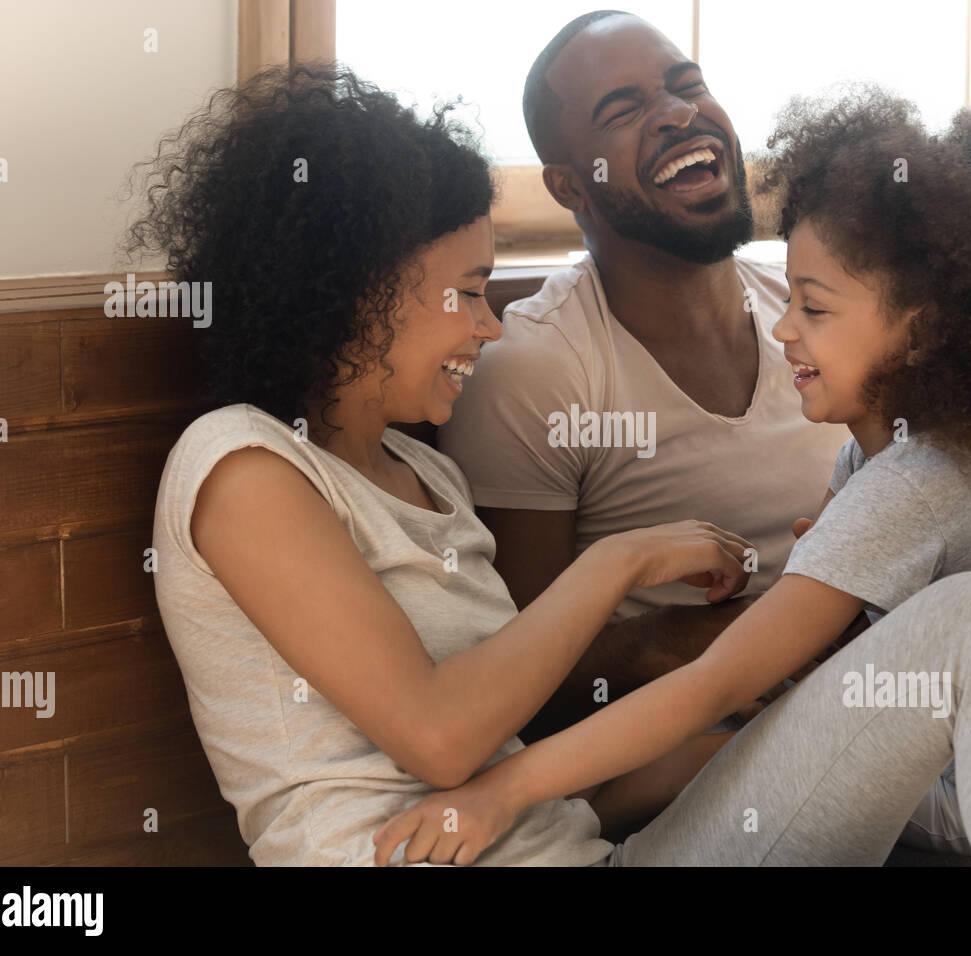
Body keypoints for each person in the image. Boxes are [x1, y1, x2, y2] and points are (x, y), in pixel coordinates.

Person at [371, 87, 971, 866]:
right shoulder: (870, 458)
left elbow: (713, 683)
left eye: (813, 309)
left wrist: (502, 791)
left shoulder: (919, 479)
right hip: (941, 764)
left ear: (924, 333)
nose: (782, 327)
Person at [137, 65, 756, 865]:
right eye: (467, 294)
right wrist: (621, 559)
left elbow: (534, 790)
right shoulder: (243, 466)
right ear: (363, 292)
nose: (488, 329)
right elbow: (440, 739)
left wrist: (765, 732)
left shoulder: (429, 478)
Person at [437, 11, 850, 742]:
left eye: (688, 85)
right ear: (570, 187)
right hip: (700, 780)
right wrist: (766, 634)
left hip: (887, 717)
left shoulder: (812, 314)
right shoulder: (536, 371)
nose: (679, 113)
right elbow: (523, 692)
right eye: (624, 110)